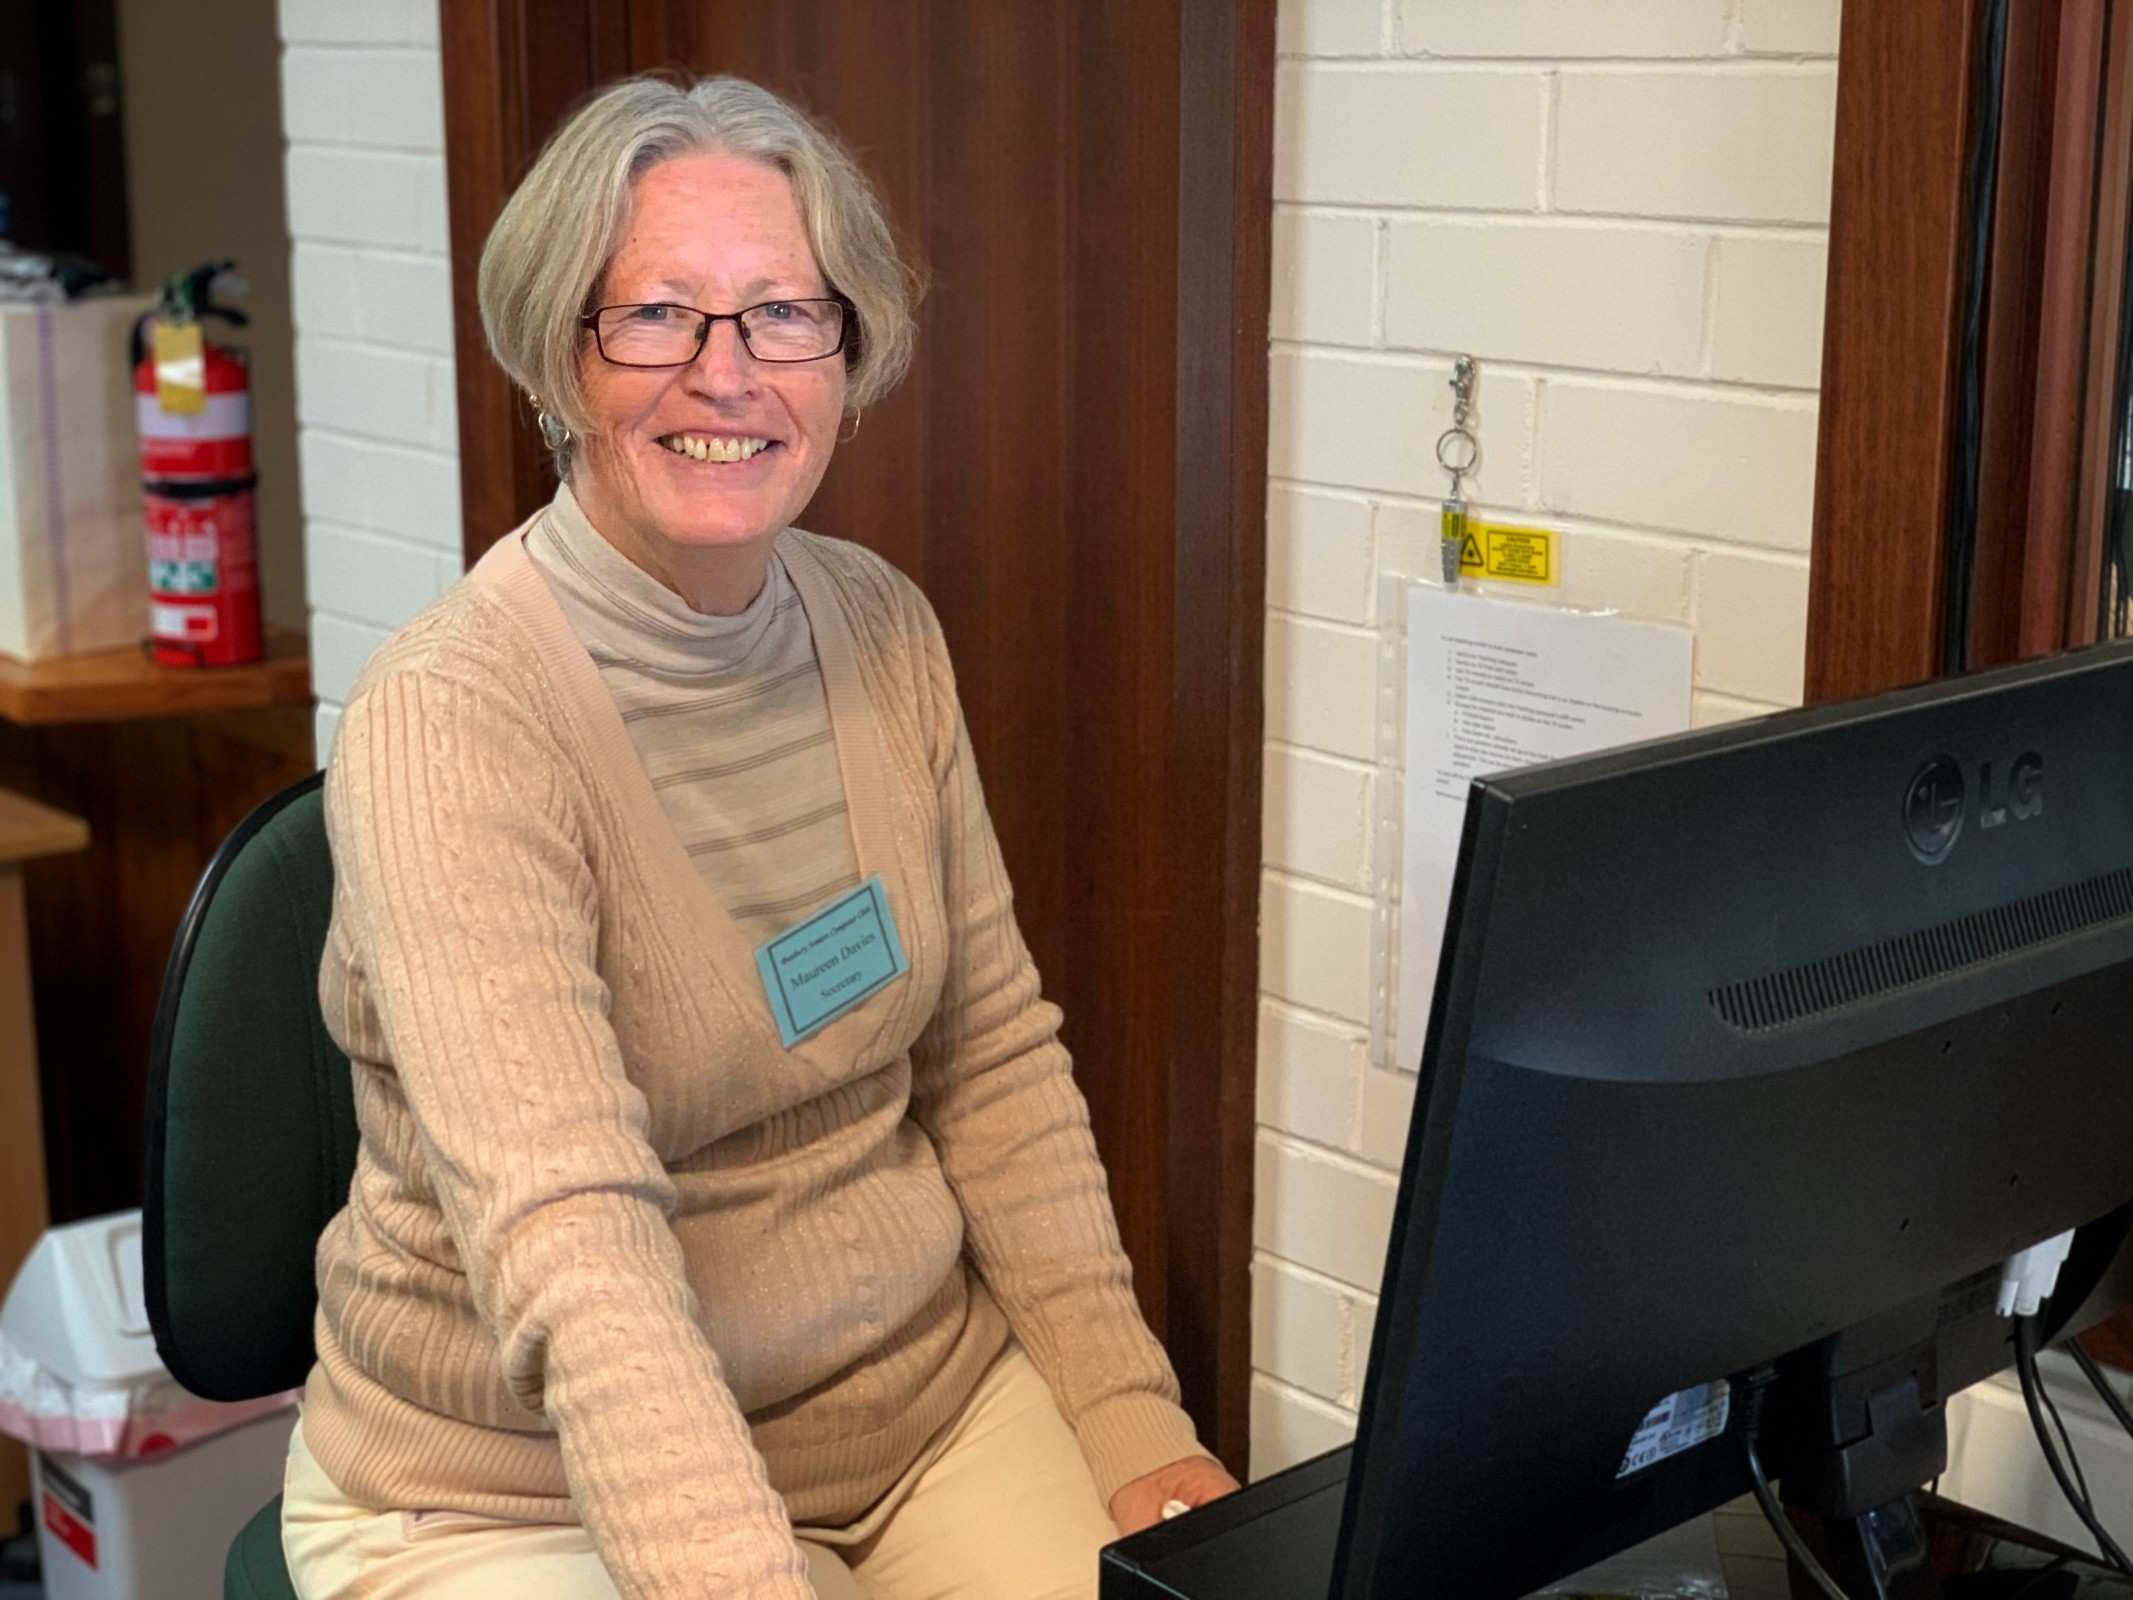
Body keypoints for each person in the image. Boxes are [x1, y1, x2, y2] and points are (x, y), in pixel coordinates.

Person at [276, 71, 1239, 1600]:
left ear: (849, 352)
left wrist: (1133, 1426)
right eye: (654, 315)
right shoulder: (453, 716)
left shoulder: (878, 625)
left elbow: (990, 1059)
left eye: (786, 313)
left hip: (916, 1418)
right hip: (515, 1496)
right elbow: (571, 1239)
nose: (728, 375)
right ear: (555, 355)